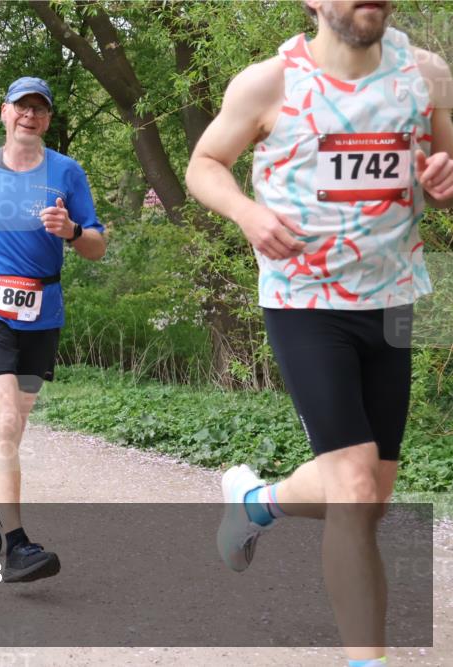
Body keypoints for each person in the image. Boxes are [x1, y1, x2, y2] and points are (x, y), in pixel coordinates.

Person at [185, 2, 452, 665]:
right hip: (305, 301)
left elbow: (446, 167)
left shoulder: (427, 74)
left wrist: (444, 180)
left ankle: (256, 502)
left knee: (371, 493)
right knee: (356, 489)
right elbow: (203, 165)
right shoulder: (268, 82)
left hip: (393, 300)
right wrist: (248, 213)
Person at [0, 76, 107, 583]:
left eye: (39, 110)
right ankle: (17, 545)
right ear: (4, 112)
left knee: (11, 427)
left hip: (42, 308)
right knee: (7, 418)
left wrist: (73, 232)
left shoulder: (67, 172)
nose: (29, 116)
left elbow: (97, 244)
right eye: (21, 107)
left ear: (48, 120)